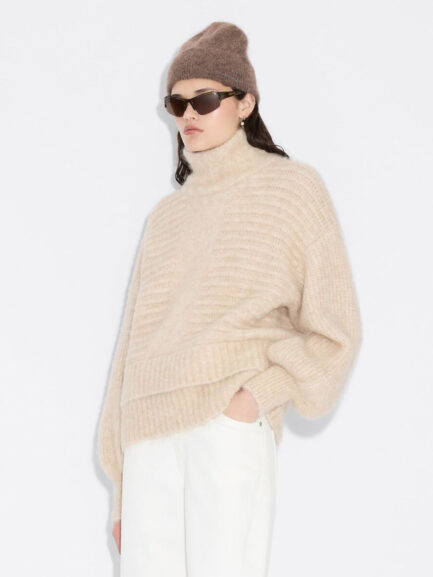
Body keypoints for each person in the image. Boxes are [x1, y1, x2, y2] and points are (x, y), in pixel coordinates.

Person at [97, 21, 362, 577]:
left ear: (245, 103)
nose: (188, 115)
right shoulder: (166, 217)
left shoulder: (292, 190)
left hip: (225, 425)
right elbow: (129, 352)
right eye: (177, 103)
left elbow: (334, 331)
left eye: (206, 99)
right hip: (147, 441)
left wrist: (252, 399)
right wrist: (121, 487)